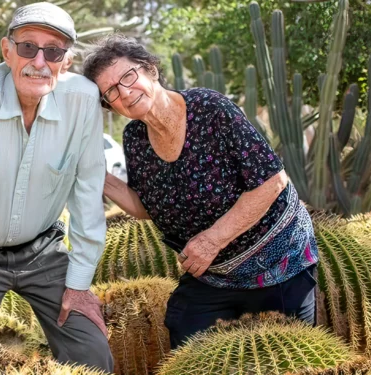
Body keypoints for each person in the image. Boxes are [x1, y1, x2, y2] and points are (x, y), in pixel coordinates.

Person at [82, 35, 319, 349]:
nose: (124, 92)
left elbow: (272, 181)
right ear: (109, 104)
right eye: (110, 91)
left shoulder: (209, 109)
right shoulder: (135, 138)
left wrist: (212, 240)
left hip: (278, 263)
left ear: (150, 70)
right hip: (214, 275)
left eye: (128, 76)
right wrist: (94, 173)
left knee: (285, 359)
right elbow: (143, 206)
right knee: (188, 345)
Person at [0, 3, 112, 371]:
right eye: (28, 47)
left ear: (67, 60)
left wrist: (78, 285)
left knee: (92, 355)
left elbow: (87, 196)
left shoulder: (82, 99)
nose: (39, 61)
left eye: (54, 51)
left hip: (43, 251)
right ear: (7, 50)